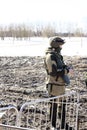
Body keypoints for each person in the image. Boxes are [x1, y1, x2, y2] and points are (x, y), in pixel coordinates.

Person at [44, 36, 73, 130]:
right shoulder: (50, 56)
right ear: (55, 45)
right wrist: (66, 71)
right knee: (53, 106)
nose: (61, 47)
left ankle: (63, 125)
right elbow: (53, 72)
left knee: (62, 106)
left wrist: (67, 68)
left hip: (61, 85)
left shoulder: (57, 55)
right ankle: (52, 126)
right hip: (54, 86)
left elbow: (62, 67)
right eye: (60, 45)